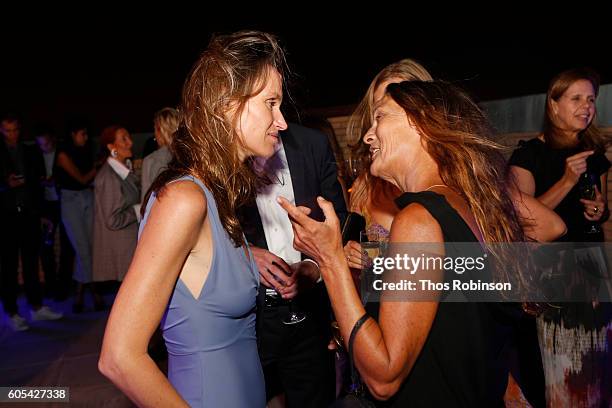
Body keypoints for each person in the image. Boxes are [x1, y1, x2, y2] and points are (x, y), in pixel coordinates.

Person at [278, 80, 549, 406]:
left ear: (422, 125)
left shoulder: (419, 220)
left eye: (381, 117)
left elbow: (384, 377)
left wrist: (330, 258)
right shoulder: (466, 206)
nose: (368, 134)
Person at [99, 30, 289, 407]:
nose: (281, 121)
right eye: (271, 103)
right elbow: (119, 357)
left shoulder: (217, 196)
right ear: (226, 105)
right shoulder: (184, 199)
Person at [509, 67, 612, 406]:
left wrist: (599, 210)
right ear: (553, 105)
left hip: (591, 270)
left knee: (598, 372)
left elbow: (597, 212)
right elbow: (525, 221)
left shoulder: (592, 154)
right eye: (576, 98)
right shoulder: (526, 156)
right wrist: (567, 180)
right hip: (551, 276)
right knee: (563, 374)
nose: (587, 107)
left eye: (591, 99)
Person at [238, 121, 347, 407]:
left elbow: (339, 221)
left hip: (308, 312)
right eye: (270, 102)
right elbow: (203, 235)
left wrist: (314, 266)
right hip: (246, 318)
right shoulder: (220, 152)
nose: (280, 118)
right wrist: (244, 255)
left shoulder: (311, 143)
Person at [0, 115, 63, 331]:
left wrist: (42, 213)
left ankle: (36, 307)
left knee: (30, 263)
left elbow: (37, 186)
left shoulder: (28, 151)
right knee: (8, 267)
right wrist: (6, 184)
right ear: (1, 130)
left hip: (28, 213)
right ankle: (12, 311)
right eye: (7, 130)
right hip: (6, 216)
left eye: (15, 130)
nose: (12, 135)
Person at [55, 120, 98, 311]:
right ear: (73, 134)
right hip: (70, 200)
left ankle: (79, 294)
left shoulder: (85, 150)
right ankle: (93, 292)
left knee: (88, 248)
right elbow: (81, 179)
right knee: (82, 249)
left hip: (87, 197)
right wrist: (100, 166)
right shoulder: (63, 154)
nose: (86, 137)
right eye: (82, 133)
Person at [92, 125, 140, 286]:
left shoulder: (123, 170)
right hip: (121, 251)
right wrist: (138, 209)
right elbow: (112, 220)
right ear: (111, 147)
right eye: (124, 139)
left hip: (127, 247)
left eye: (129, 137)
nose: (130, 143)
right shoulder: (109, 178)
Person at [34, 127, 74, 300]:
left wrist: (56, 181)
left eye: (48, 143)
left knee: (67, 244)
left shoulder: (64, 153)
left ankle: (64, 286)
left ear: (53, 140)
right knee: (46, 246)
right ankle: (50, 285)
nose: (45, 147)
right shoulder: (34, 156)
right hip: (46, 205)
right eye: (41, 144)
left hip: (64, 201)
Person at [141, 107, 179, 201]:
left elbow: (146, 202)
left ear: (160, 130)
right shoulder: (191, 155)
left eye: (155, 129)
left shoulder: (151, 160)